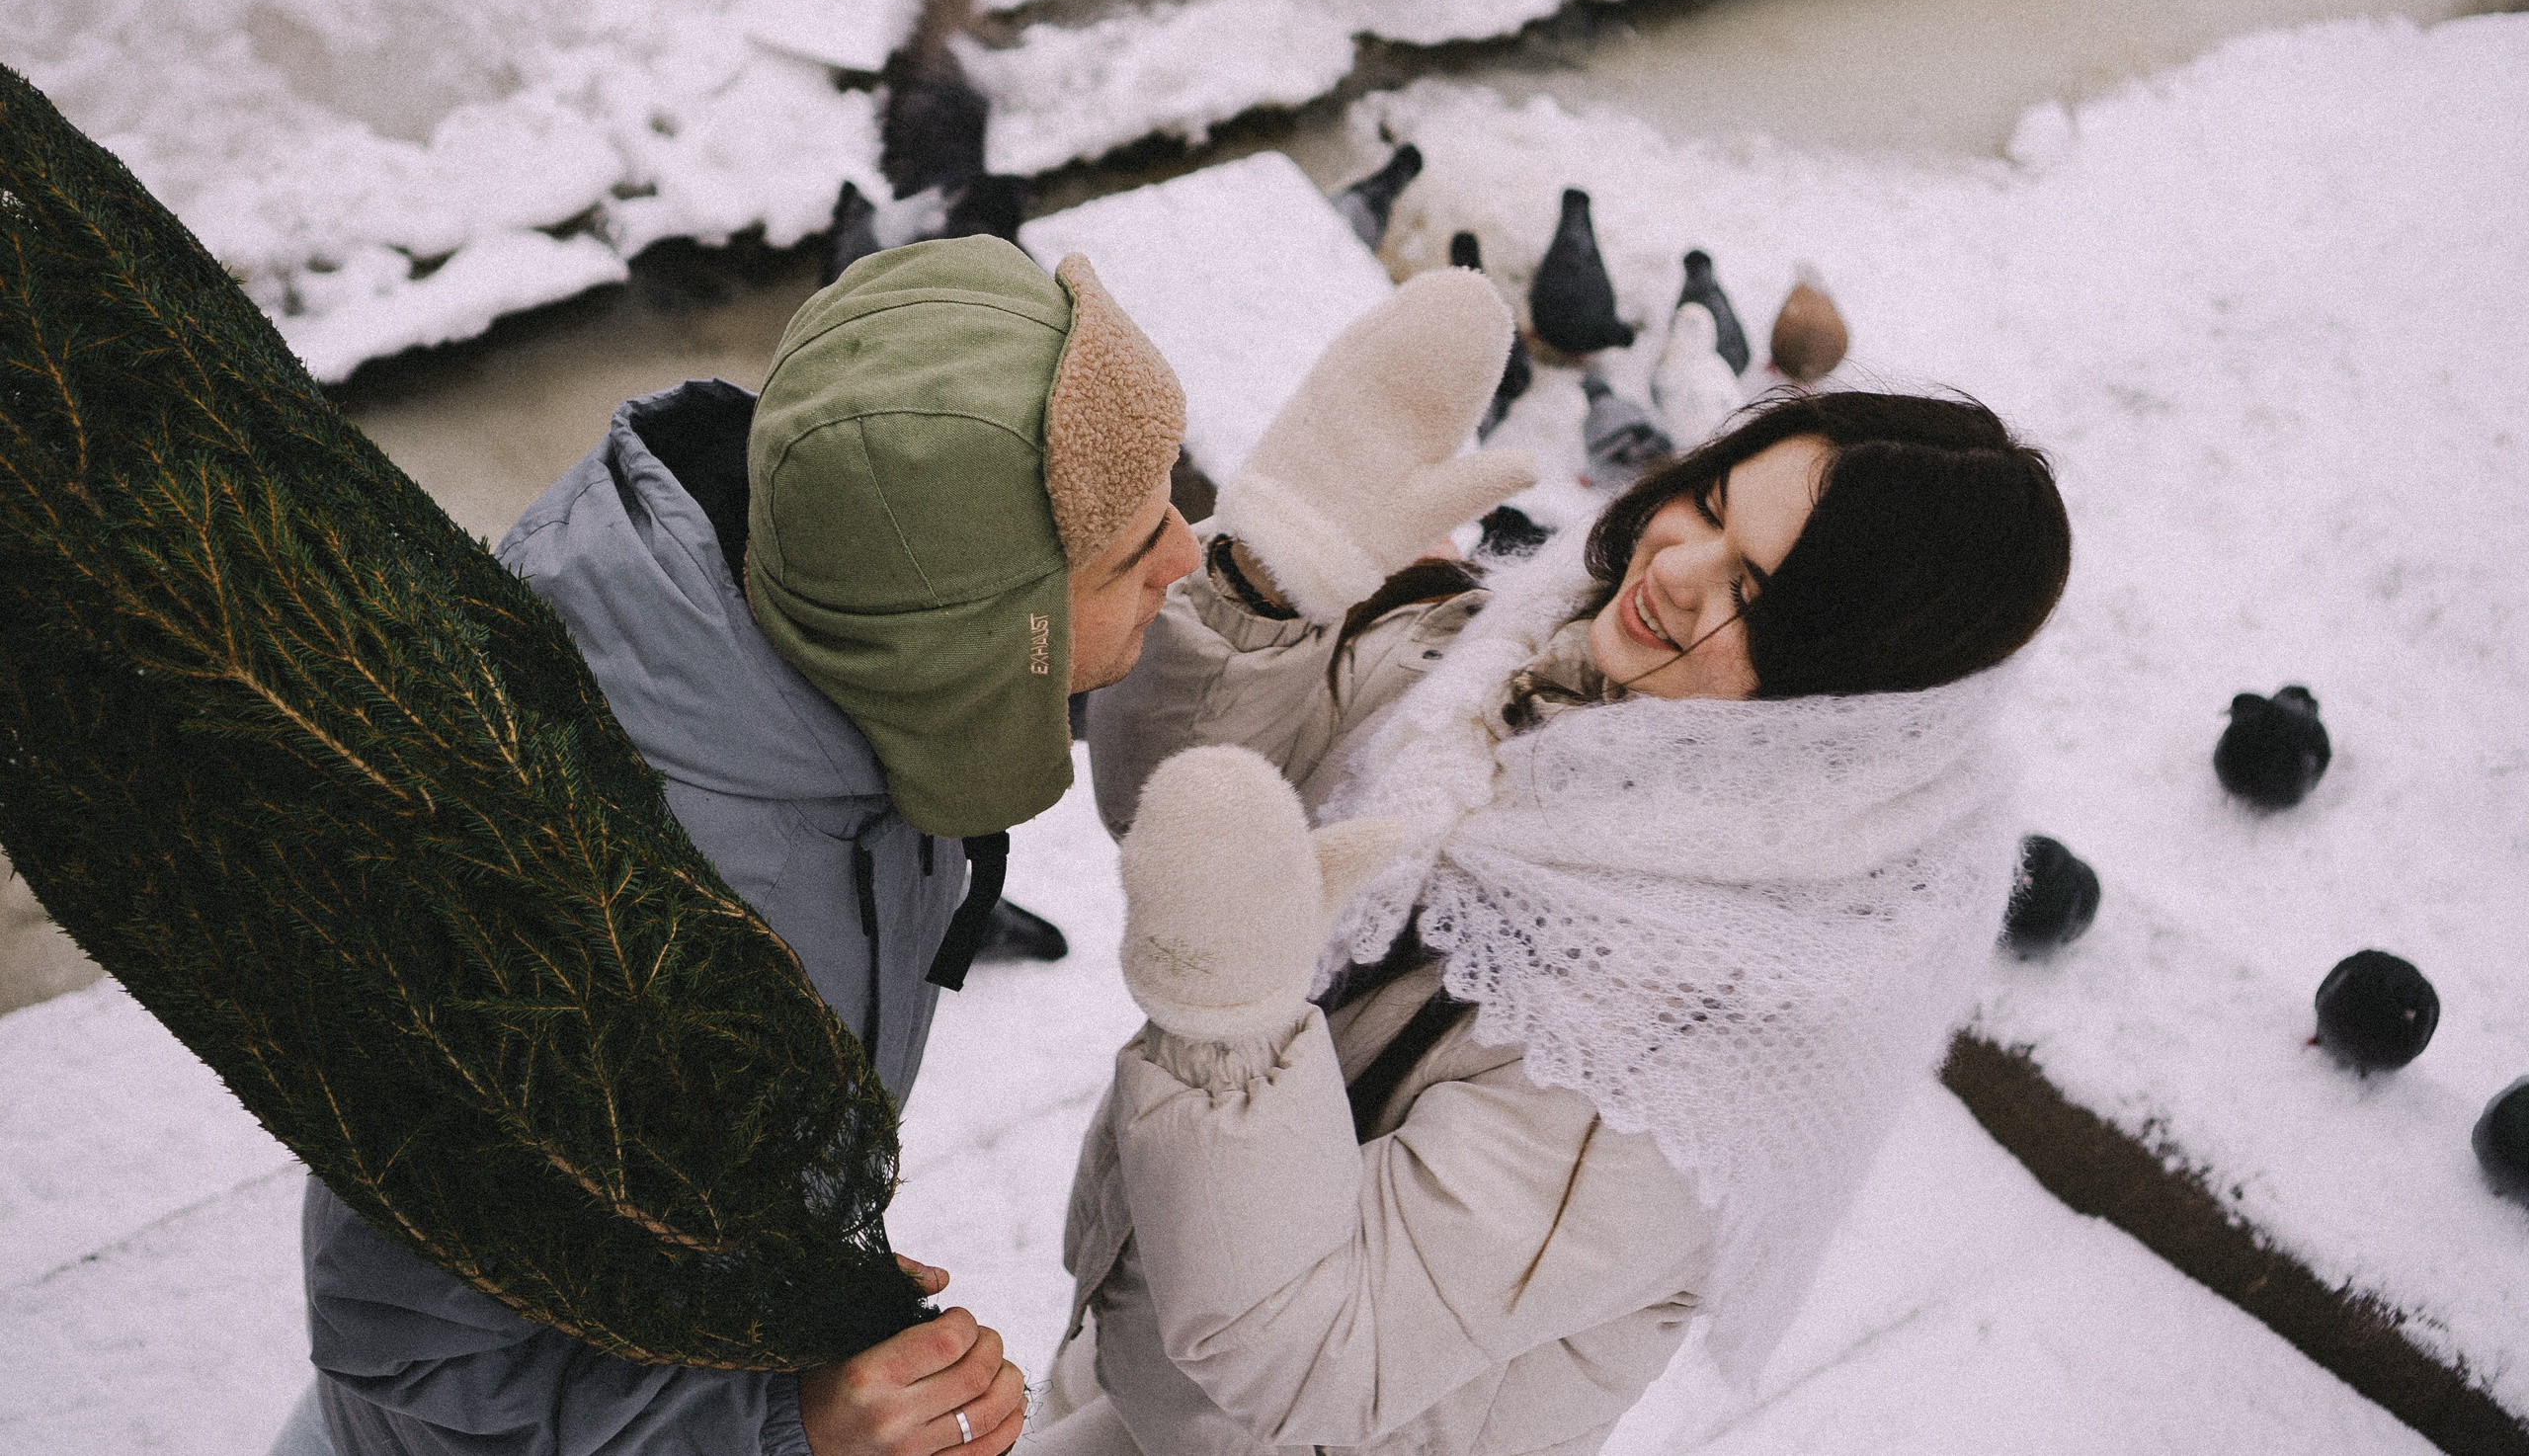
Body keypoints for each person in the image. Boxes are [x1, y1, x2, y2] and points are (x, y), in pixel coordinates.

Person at [1040, 266, 2072, 1455]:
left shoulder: (1678, 1051)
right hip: (1144, 1338)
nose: (1673, 570)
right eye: (1713, 505)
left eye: (1752, 588)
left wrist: (1229, 1028)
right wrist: (1270, 583)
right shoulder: (1521, 665)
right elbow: (1177, 811)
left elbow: (1312, 1348)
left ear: (1844, 694)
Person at [287, 235, 1200, 1456]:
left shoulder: (831, 633)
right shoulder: (574, 917)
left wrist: (778, 1265)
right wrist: (780, 1422)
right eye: (1138, 555)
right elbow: (411, 1350)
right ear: (978, 643)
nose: (1189, 556)